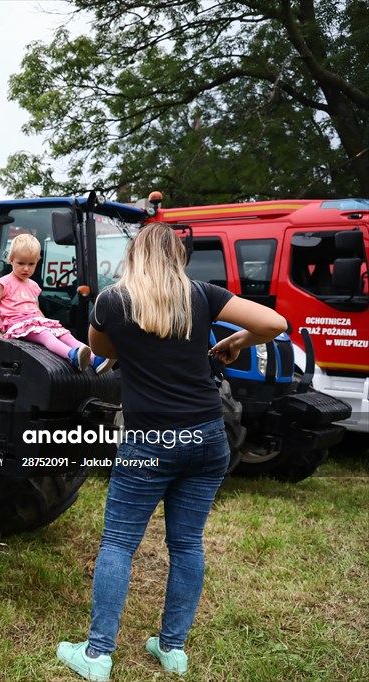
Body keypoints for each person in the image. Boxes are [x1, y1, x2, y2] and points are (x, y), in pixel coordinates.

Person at [56, 223, 287, 680]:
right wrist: (238, 340)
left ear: (134, 256)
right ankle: (173, 648)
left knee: (119, 544)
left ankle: (98, 655)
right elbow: (275, 324)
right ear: (178, 257)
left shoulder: (111, 301)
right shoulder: (202, 294)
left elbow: (100, 351)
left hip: (149, 442)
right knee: (186, 544)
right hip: (206, 439)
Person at [0, 233, 111, 373]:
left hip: (34, 322)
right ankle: (71, 355)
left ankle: (95, 360)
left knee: (64, 333)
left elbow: (35, 307)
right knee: (46, 336)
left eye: (31, 264)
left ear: (37, 262)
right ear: (11, 260)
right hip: (17, 324)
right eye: (21, 263)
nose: (26, 268)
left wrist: (45, 323)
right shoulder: (4, 282)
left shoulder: (33, 285)